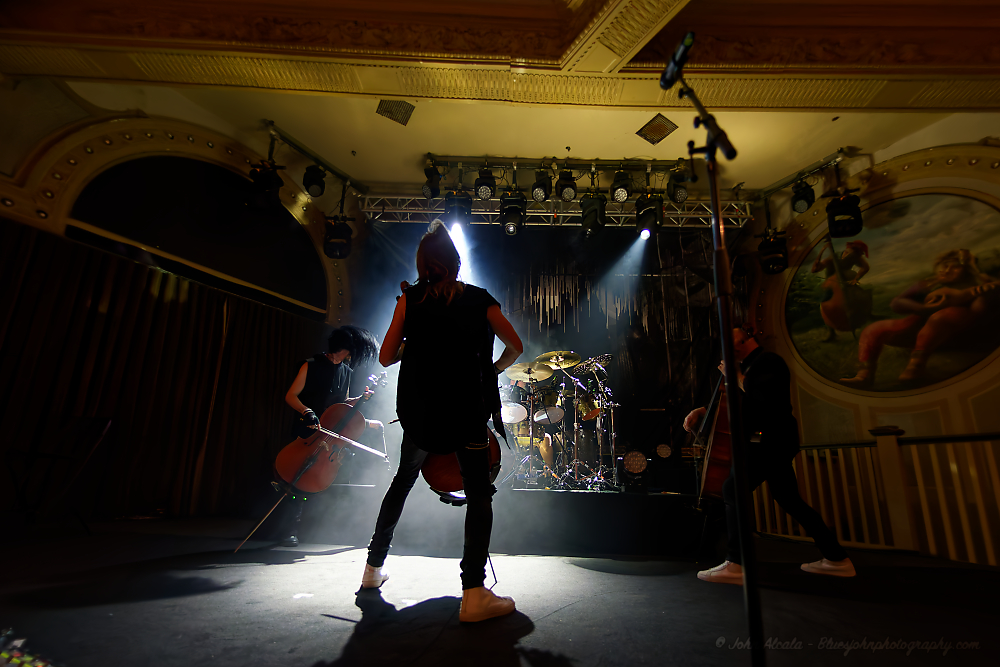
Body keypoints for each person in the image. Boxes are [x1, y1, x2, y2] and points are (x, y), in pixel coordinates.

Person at [362, 221, 524, 623]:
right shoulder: (480, 300)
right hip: (466, 411)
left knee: (402, 482)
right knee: (479, 493)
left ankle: (371, 571)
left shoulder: (409, 300)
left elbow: (385, 356)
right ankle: (473, 592)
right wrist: (493, 370)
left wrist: (412, 344)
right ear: (455, 262)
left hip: (422, 414)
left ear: (422, 264)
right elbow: (515, 347)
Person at [683, 326, 855, 584]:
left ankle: (737, 563)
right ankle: (837, 559)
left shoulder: (769, 362)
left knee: (732, 490)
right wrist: (704, 409)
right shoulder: (749, 367)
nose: (727, 350)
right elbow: (742, 402)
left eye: (731, 343)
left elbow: (762, 401)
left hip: (769, 441)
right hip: (769, 442)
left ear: (744, 339)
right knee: (789, 499)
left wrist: (736, 376)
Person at [279, 325, 383, 547]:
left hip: (327, 434)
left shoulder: (346, 371)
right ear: (343, 348)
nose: (350, 357)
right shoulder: (311, 365)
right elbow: (291, 395)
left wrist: (360, 399)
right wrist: (306, 411)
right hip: (307, 430)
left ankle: (305, 529)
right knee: (296, 477)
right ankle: (286, 528)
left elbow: (340, 404)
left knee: (315, 480)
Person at [840, 248, 998, 387]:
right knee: (873, 329)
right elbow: (897, 303)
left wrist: (970, 283)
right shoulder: (929, 284)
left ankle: (915, 368)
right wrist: (925, 308)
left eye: (955, 266)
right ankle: (864, 375)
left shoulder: (977, 283)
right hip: (919, 330)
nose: (947, 270)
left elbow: (980, 311)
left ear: (967, 269)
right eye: (944, 265)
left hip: (960, 335)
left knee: (941, 317)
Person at [810, 240, 871, 342]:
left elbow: (865, 267)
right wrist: (822, 250)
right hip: (831, 286)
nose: (853, 252)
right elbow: (815, 269)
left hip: (844, 284)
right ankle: (832, 334)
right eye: (853, 250)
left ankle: (857, 325)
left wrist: (855, 279)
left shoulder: (854, 257)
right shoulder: (833, 257)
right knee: (825, 305)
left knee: (855, 302)